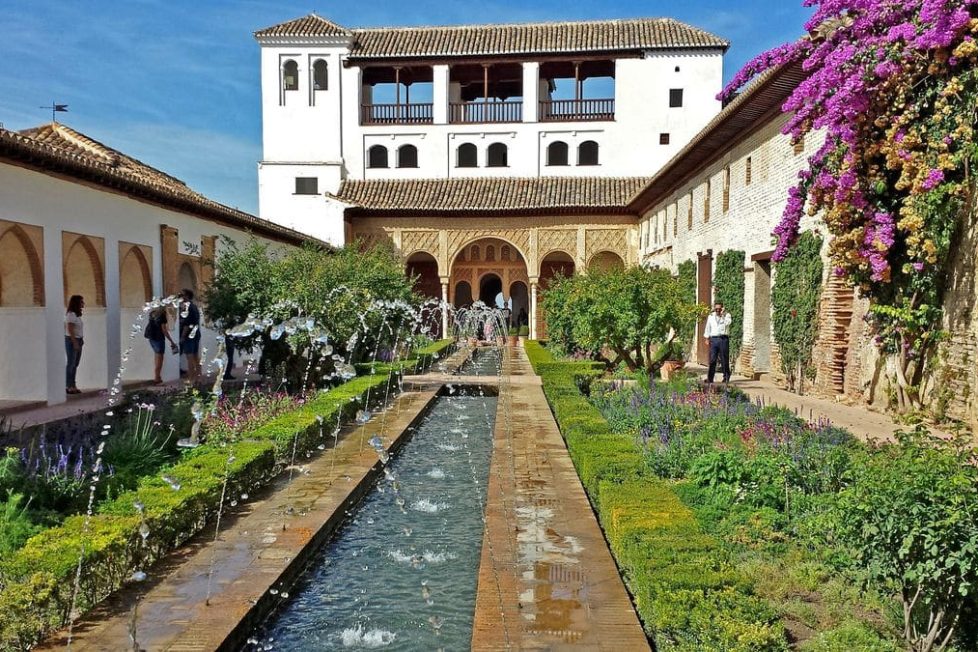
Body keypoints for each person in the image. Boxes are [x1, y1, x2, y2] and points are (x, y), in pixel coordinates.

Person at [145, 306, 178, 384]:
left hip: (151, 338)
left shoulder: (152, 313)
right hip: (159, 339)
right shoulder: (162, 315)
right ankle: (157, 378)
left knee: (157, 357)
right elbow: (164, 330)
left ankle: (158, 377)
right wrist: (171, 341)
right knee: (159, 360)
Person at [704, 301, 733, 384]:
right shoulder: (711, 316)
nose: (717, 311)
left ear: (722, 309)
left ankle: (726, 378)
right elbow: (708, 327)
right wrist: (707, 338)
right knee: (712, 360)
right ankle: (710, 378)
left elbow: (728, 323)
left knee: (724, 359)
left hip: (723, 339)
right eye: (716, 309)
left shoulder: (727, 315)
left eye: (719, 309)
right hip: (714, 339)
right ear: (714, 308)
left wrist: (722, 315)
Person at [179, 288, 202, 385]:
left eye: (182, 295)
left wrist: (183, 337)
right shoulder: (194, 307)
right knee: (196, 356)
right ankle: (198, 377)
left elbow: (187, 324)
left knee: (190, 357)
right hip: (196, 334)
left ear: (187, 296)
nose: (180, 297)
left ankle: (191, 378)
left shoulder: (188, 308)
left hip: (189, 336)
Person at [65, 295, 85, 394]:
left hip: (78, 340)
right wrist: (75, 342)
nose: (83, 304)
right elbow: (70, 329)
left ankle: (73, 385)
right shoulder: (71, 315)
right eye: (81, 302)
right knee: (71, 364)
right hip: (72, 341)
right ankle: (68, 386)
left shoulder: (77, 315)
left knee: (75, 364)